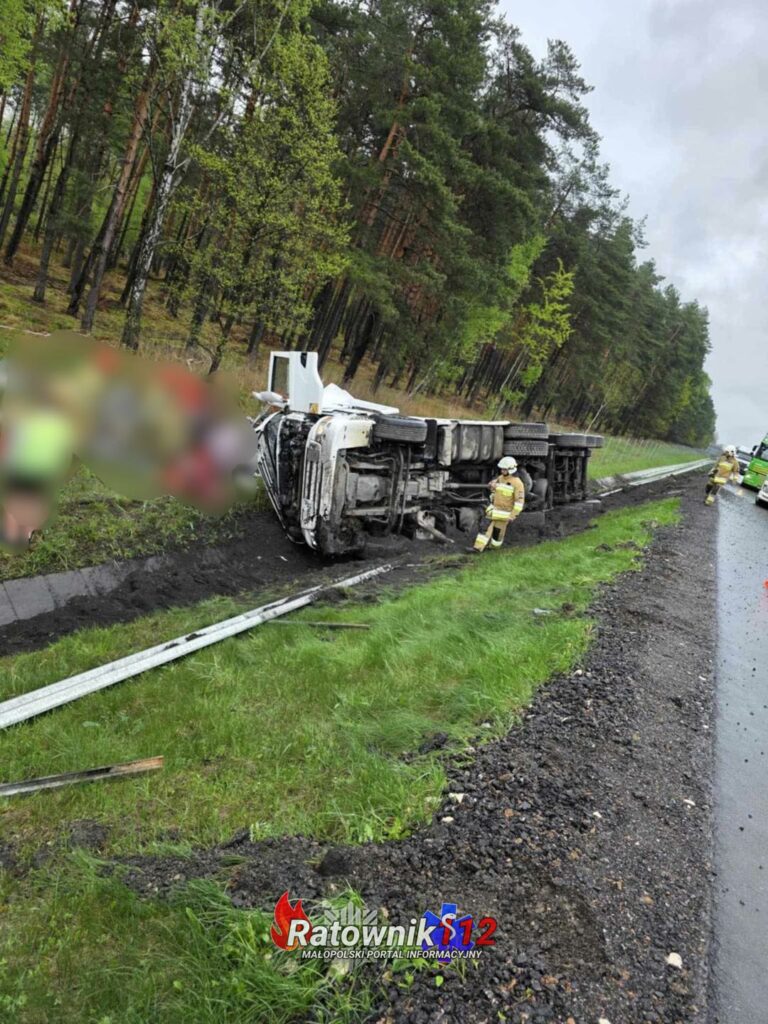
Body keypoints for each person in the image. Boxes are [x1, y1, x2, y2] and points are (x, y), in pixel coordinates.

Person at [473, 455, 525, 552]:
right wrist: (491, 485)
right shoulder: (500, 478)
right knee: (485, 527)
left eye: (504, 469)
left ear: (511, 469)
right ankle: (478, 548)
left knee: (498, 533)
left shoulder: (518, 483)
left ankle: (494, 549)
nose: (502, 471)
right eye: (502, 469)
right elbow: (493, 485)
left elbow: (519, 503)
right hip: (494, 510)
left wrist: (513, 515)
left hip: (505, 514)